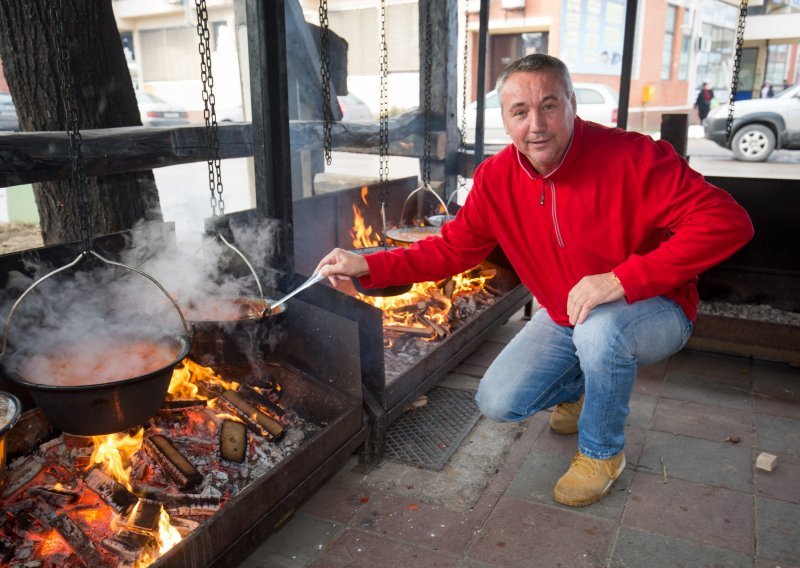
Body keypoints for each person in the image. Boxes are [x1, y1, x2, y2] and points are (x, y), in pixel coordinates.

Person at [316, 54, 753, 507]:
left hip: (657, 306)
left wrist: (621, 280)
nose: (536, 124)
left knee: (603, 331)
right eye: (520, 112)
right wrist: (370, 265)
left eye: (549, 105)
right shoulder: (495, 178)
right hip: (568, 316)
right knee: (498, 401)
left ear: (572, 105)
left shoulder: (633, 156)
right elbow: (450, 249)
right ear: (505, 120)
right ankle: (586, 388)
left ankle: (602, 451)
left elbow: (728, 221)